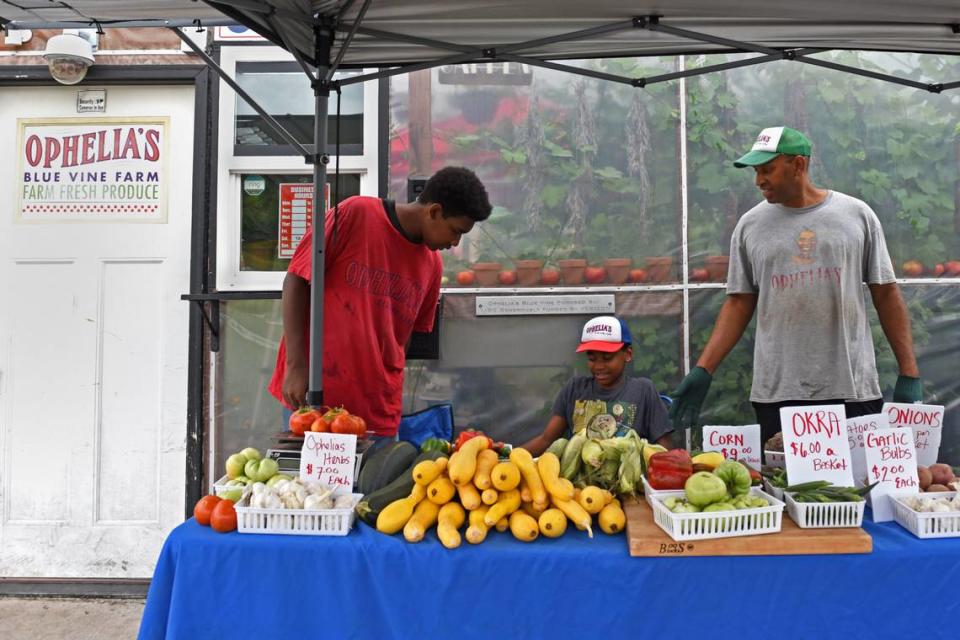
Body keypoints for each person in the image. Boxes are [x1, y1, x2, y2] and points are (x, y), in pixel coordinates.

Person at [669, 126, 922, 444]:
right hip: (778, 391)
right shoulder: (750, 226)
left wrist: (908, 370)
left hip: (851, 387)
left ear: (798, 165)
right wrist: (704, 369)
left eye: (767, 169)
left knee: (856, 489)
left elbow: (885, 293)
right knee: (785, 486)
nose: (759, 180)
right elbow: (738, 302)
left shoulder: (856, 216)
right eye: (756, 171)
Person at [268, 166, 492, 440]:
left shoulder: (432, 265)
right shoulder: (357, 213)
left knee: (377, 483)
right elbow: (296, 280)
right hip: (315, 399)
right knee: (310, 484)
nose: (455, 242)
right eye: (455, 231)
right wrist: (296, 364)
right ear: (433, 211)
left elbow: (404, 339)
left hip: (377, 413)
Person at [520, 315, 674, 455]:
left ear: (628, 354)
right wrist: (507, 455)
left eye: (607, 358)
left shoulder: (643, 391)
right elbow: (547, 440)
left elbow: (664, 448)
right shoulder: (575, 389)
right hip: (579, 485)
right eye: (592, 359)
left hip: (628, 483)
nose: (598, 366)